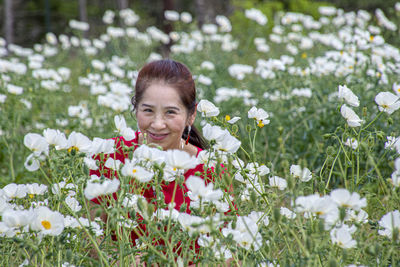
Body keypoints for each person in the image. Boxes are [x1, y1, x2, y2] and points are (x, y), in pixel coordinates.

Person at [89, 59, 220, 264]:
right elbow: (93, 237)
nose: (157, 124)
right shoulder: (111, 157)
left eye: (170, 112)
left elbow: (228, 253)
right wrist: (122, 261)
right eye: (148, 110)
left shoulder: (208, 169)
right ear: (136, 109)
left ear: (191, 115)